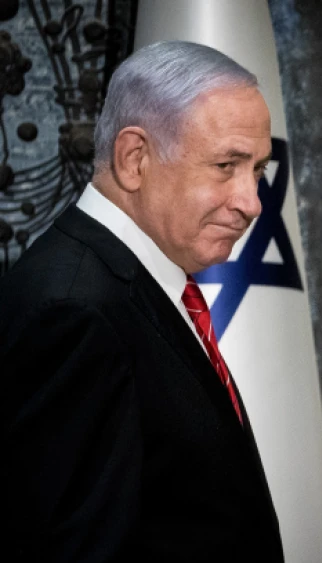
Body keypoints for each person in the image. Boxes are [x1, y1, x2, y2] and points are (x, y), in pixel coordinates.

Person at [0, 41, 283, 561]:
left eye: (258, 170)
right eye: (226, 165)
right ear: (135, 159)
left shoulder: (128, 285)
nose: (252, 203)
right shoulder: (75, 312)